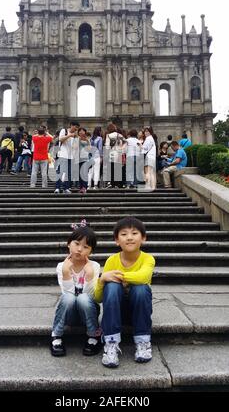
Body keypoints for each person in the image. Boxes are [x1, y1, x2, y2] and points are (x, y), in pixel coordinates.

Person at [94, 216, 155, 368]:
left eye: (134, 233)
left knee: (141, 288)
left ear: (143, 238)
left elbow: (143, 277)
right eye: (124, 234)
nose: (129, 237)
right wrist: (102, 280)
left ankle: (143, 342)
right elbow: (98, 297)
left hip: (139, 310)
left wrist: (117, 276)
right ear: (116, 240)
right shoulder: (111, 260)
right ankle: (111, 344)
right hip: (115, 313)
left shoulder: (148, 258)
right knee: (112, 286)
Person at [51, 222, 102, 357]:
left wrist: (90, 276)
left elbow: (92, 296)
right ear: (69, 244)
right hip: (70, 314)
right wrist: (67, 273)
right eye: (76, 244)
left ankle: (93, 336)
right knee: (68, 297)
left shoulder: (94, 266)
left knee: (84, 298)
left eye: (85, 246)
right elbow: (67, 294)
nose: (79, 249)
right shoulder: (62, 266)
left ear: (91, 251)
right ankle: (56, 336)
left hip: (88, 311)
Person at [54, 121, 80, 194]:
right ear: (71, 125)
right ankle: (57, 187)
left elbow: (75, 147)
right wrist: (69, 135)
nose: (76, 129)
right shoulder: (64, 131)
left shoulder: (75, 135)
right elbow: (60, 139)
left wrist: (76, 138)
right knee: (60, 172)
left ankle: (66, 188)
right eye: (75, 127)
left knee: (69, 173)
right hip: (62, 155)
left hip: (71, 156)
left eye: (77, 128)